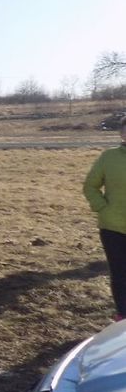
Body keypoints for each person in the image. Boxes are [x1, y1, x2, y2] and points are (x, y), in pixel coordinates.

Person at [83, 122, 126, 319]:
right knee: (119, 273)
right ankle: (123, 315)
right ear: (121, 134)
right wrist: (101, 207)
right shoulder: (109, 157)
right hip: (113, 227)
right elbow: (90, 186)